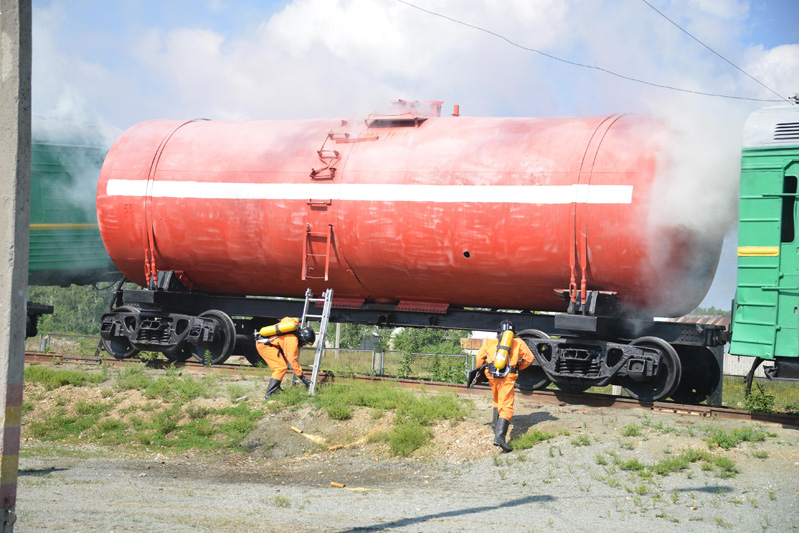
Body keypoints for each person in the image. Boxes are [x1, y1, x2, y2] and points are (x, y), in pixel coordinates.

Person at [469, 319, 534, 452]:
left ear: (498, 332)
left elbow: (480, 357)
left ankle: (495, 425)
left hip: (491, 375)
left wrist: (480, 371)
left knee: (497, 400)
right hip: (507, 376)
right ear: (513, 332)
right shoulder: (518, 342)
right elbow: (529, 358)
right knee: (507, 407)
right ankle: (500, 437)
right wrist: (518, 366)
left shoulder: (490, 342)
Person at [255, 317, 316, 399]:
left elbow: (286, 318)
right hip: (264, 346)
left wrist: (299, 319)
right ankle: (270, 393)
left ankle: (277, 389)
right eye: (304, 343)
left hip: (267, 343)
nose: (303, 345)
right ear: (301, 338)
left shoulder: (294, 325)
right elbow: (292, 360)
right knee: (280, 368)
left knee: (282, 366)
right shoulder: (292, 340)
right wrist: (302, 377)